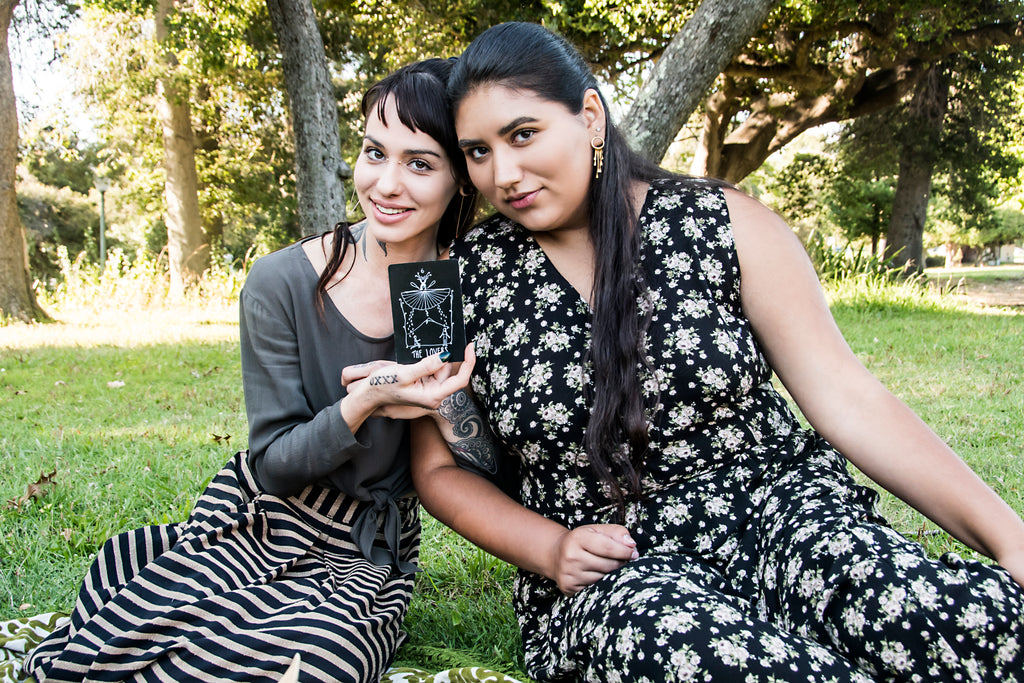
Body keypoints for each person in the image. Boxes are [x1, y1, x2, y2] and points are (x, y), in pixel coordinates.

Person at [411, 22, 1024, 683]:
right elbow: (440, 468)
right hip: (622, 571)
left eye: (522, 134)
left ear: (590, 116)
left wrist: (1009, 536)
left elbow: (849, 398)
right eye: (477, 151)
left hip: (782, 513)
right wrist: (551, 546)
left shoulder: (724, 220)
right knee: (698, 657)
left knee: (932, 618)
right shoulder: (439, 285)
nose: (503, 173)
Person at [27, 58, 477, 683]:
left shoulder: (452, 289)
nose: (387, 184)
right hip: (259, 516)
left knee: (312, 662)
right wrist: (366, 399)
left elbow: (479, 468)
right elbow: (273, 463)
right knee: (134, 637)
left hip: (362, 552)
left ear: (461, 178)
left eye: (420, 163)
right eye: (375, 152)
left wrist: (446, 406)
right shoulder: (282, 281)